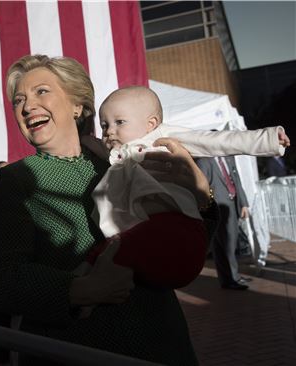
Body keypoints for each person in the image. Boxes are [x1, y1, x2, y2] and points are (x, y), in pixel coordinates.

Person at [0, 54, 219, 365]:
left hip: (161, 341)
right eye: (18, 100)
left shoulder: (128, 156)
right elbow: (1, 280)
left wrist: (202, 197)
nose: (27, 107)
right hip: (76, 348)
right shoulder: (16, 179)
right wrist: (80, 289)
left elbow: (190, 242)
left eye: (42, 91)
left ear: (77, 105)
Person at [77, 86, 290, 289]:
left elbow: (216, 141)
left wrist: (269, 139)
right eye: (104, 125)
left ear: (151, 123)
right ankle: (88, 277)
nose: (109, 131)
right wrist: (83, 140)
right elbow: (100, 148)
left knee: (122, 250)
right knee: (113, 250)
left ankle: (92, 275)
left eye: (119, 122)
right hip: (140, 226)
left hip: (174, 220)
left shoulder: (163, 137)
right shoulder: (118, 153)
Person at [196, 156, 253, 290]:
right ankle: (231, 279)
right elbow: (202, 185)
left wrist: (243, 204)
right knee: (227, 244)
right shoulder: (204, 161)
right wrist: (209, 209)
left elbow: (236, 180)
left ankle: (231, 277)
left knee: (225, 244)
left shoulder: (228, 158)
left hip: (232, 204)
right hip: (218, 207)